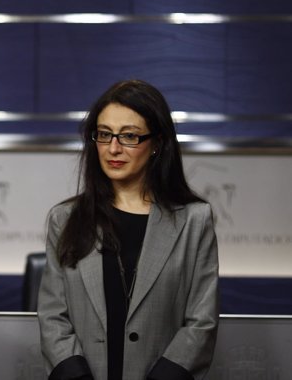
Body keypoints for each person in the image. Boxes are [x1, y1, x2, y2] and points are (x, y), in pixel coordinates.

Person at [38, 80, 219, 380]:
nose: (114, 148)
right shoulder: (66, 218)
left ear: (157, 144)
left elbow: (202, 322)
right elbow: (52, 316)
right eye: (104, 134)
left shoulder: (194, 220)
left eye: (129, 136)